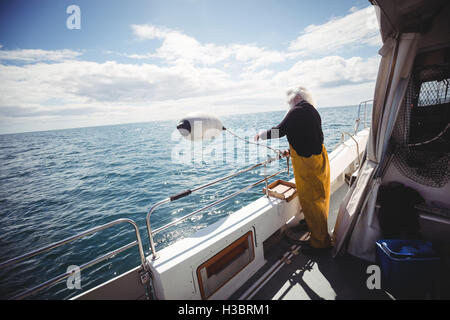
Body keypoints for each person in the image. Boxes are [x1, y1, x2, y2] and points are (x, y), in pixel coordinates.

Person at [255, 86, 331, 255]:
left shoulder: (296, 111)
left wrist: (261, 134)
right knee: (320, 196)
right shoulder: (311, 110)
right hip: (319, 158)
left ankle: (320, 244)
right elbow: (308, 134)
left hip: (307, 162)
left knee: (311, 200)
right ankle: (316, 228)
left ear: (295, 99)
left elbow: (279, 131)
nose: (288, 105)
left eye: (289, 101)